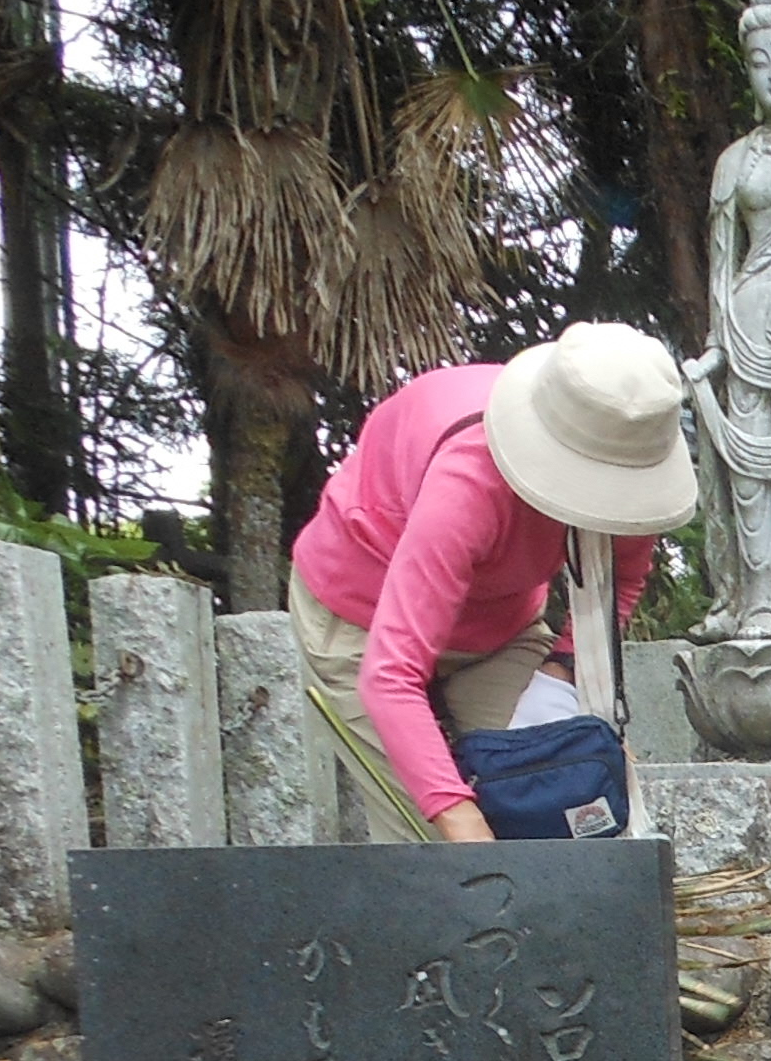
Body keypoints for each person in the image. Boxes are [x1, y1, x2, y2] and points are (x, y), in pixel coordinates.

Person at [289, 322, 697, 842]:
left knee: (559, 795)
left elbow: (624, 580)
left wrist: (563, 669)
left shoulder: (628, 463)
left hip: (497, 627)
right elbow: (390, 676)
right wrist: (465, 830)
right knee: (435, 853)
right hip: (362, 619)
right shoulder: (467, 484)